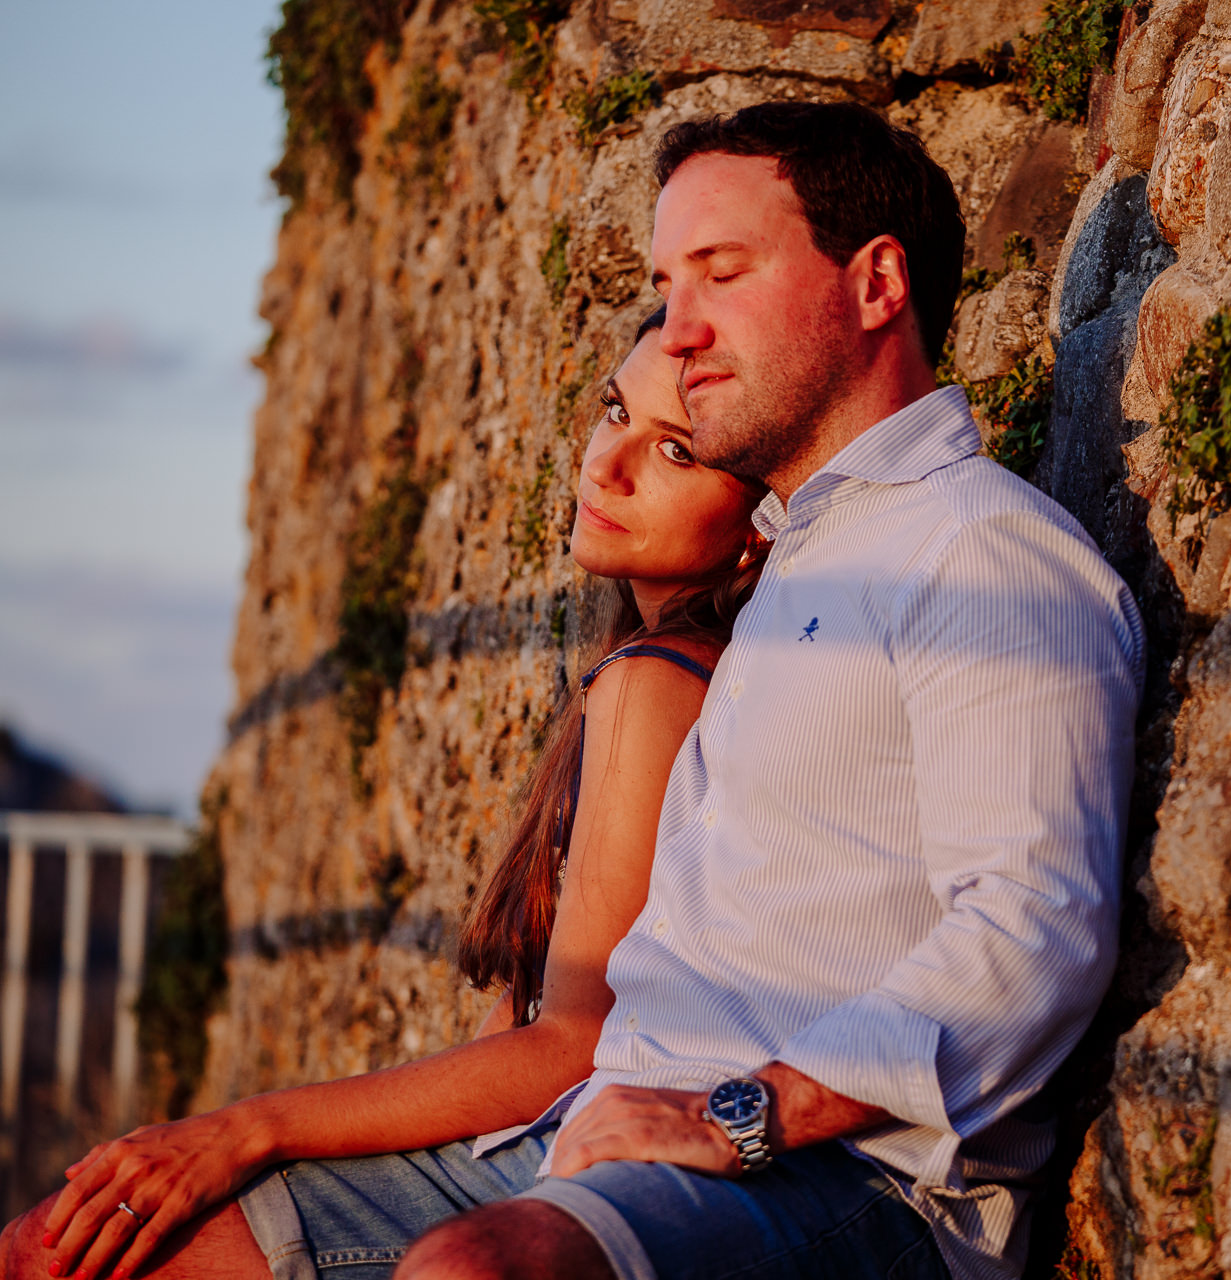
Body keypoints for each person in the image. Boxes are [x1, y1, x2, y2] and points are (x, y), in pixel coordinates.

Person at [391, 101, 1145, 1280]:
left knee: (477, 1272)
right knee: (108, 1243)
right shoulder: (799, 565)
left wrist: (735, 1117)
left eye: (720, 274)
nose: (676, 332)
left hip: (849, 1180)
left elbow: (1033, 927)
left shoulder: (979, 548)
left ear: (877, 282)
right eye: (664, 281)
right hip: (604, 1135)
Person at [0, 308, 769, 1280]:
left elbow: (575, 1041)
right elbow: (520, 1024)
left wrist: (247, 1129)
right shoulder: (647, 666)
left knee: (57, 1251)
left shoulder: (659, 678)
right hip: (552, 1137)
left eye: (675, 450)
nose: (607, 464)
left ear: (753, 535)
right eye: (614, 409)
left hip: (593, 1151)